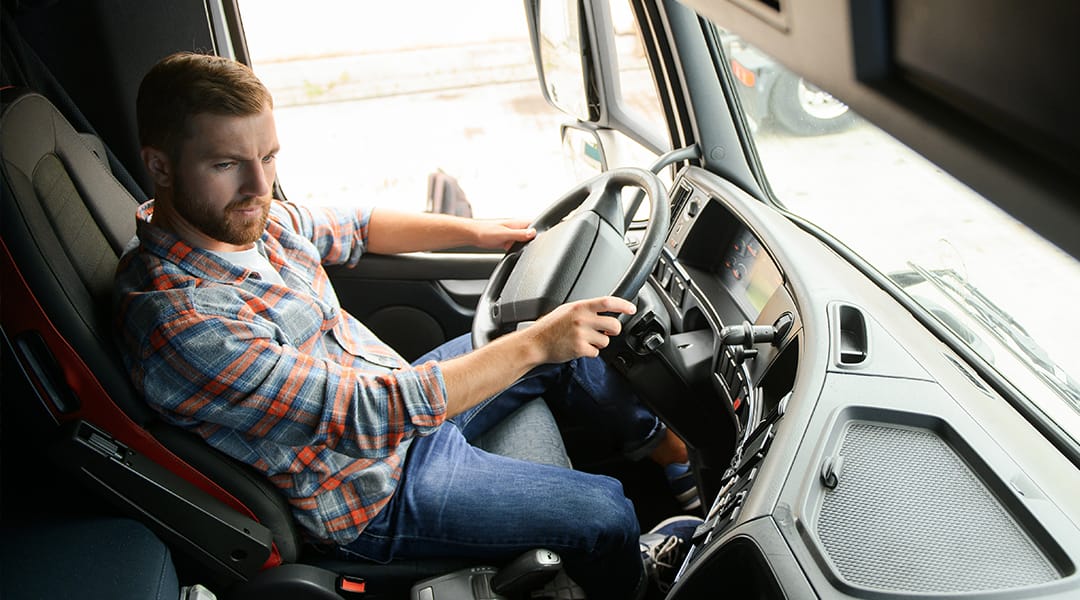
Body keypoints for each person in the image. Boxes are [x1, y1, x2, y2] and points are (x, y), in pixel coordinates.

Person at [114, 51, 697, 598]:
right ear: (160, 166)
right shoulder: (184, 323)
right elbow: (369, 413)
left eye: (268, 159)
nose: (260, 187)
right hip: (370, 493)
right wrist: (536, 344)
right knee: (607, 510)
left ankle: (668, 453)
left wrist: (479, 233)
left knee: (560, 337)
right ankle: (641, 581)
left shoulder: (244, 222)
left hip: (399, 404)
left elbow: (358, 226)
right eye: (226, 164)